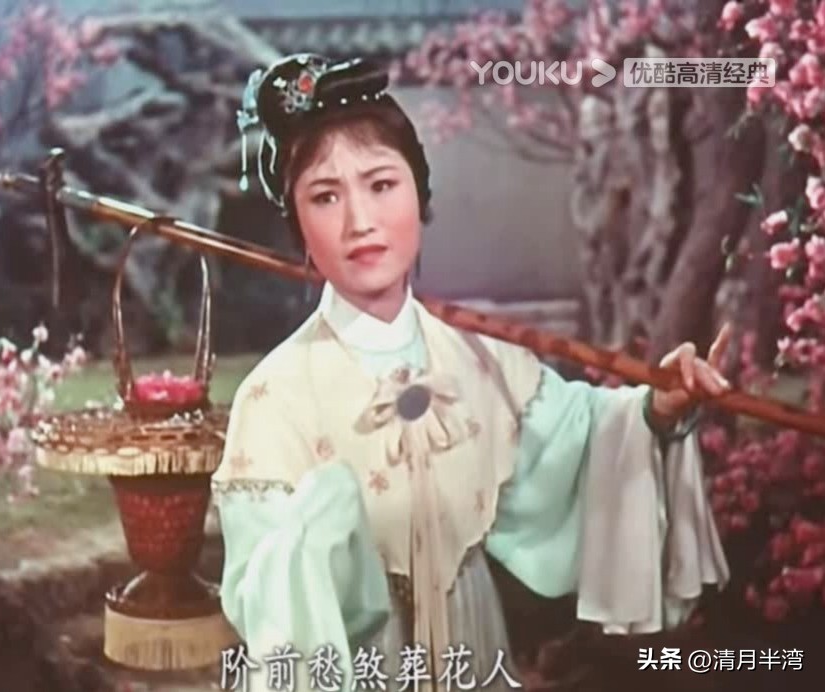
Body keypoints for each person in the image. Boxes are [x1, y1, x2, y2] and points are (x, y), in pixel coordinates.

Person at [211, 53, 730, 692]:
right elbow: (266, 600)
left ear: (419, 194)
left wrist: (656, 408)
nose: (359, 221)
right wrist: (320, 531)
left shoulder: (480, 360)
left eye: (381, 184)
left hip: (472, 645)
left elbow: (581, 434)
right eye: (325, 196)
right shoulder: (273, 398)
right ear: (299, 226)